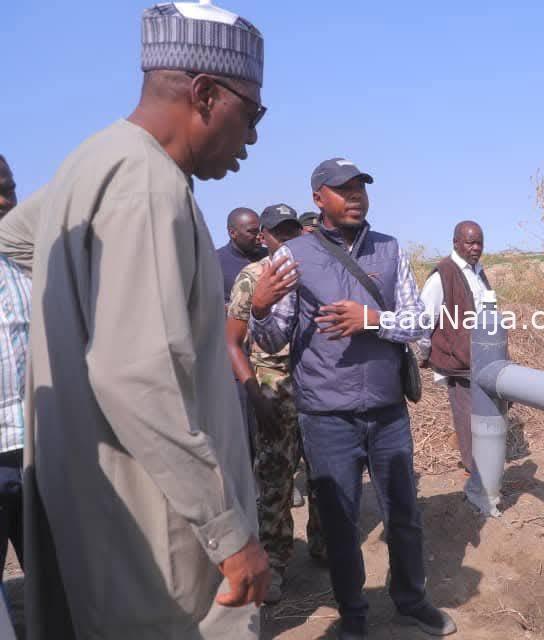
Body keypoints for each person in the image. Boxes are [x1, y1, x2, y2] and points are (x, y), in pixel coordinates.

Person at [0, 3, 271, 637]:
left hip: (96, 516)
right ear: (205, 94)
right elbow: (136, 378)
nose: (253, 138)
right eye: (251, 114)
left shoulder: (92, 165)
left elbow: (13, 237)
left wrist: (85, 196)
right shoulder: (149, 186)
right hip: (162, 534)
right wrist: (229, 534)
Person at [250, 158, 456, 639]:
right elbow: (274, 336)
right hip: (326, 415)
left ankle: (411, 600)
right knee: (341, 524)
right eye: (342, 189)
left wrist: (372, 320)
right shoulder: (292, 255)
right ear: (319, 198)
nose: (355, 195)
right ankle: (355, 617)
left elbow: (419, 323)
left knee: (403, 514)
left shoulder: (389, 250)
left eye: (360, 186)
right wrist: (260, 308)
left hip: (387, 410)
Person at [225, 203, 324, 604]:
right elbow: (231, 342)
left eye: (292, 230)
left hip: (317, 388)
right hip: (273, 389)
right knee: (276, 483)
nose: (287, 238)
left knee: (324, 475)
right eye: (278, 232)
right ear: (264, 236)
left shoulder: (316, 272)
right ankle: (276, 564)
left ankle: (323, 545)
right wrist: (253, 393)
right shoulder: (252, 278)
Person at [418, 221, 491, 476]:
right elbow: (424, 318)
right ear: (456, 243)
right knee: (467, 414)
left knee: (489, 410)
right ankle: (475, 471)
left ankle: (485, 462)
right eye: (470, 242)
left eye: (479, 242)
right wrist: (426, 353)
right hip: (459, 359)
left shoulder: (477, 271)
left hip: (483, 357)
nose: (476, 248)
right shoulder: (443, 274)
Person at [0, 154, 27, 591]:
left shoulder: (30, 263)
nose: (4, 200)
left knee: (61, 579)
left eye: (9, 187)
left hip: (39, 449)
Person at [217, 207, 267, 303]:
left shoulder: (271, 257)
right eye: (252, 232)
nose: (259, 236)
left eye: (259, 230)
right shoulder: (215, 263)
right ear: (232, 233)